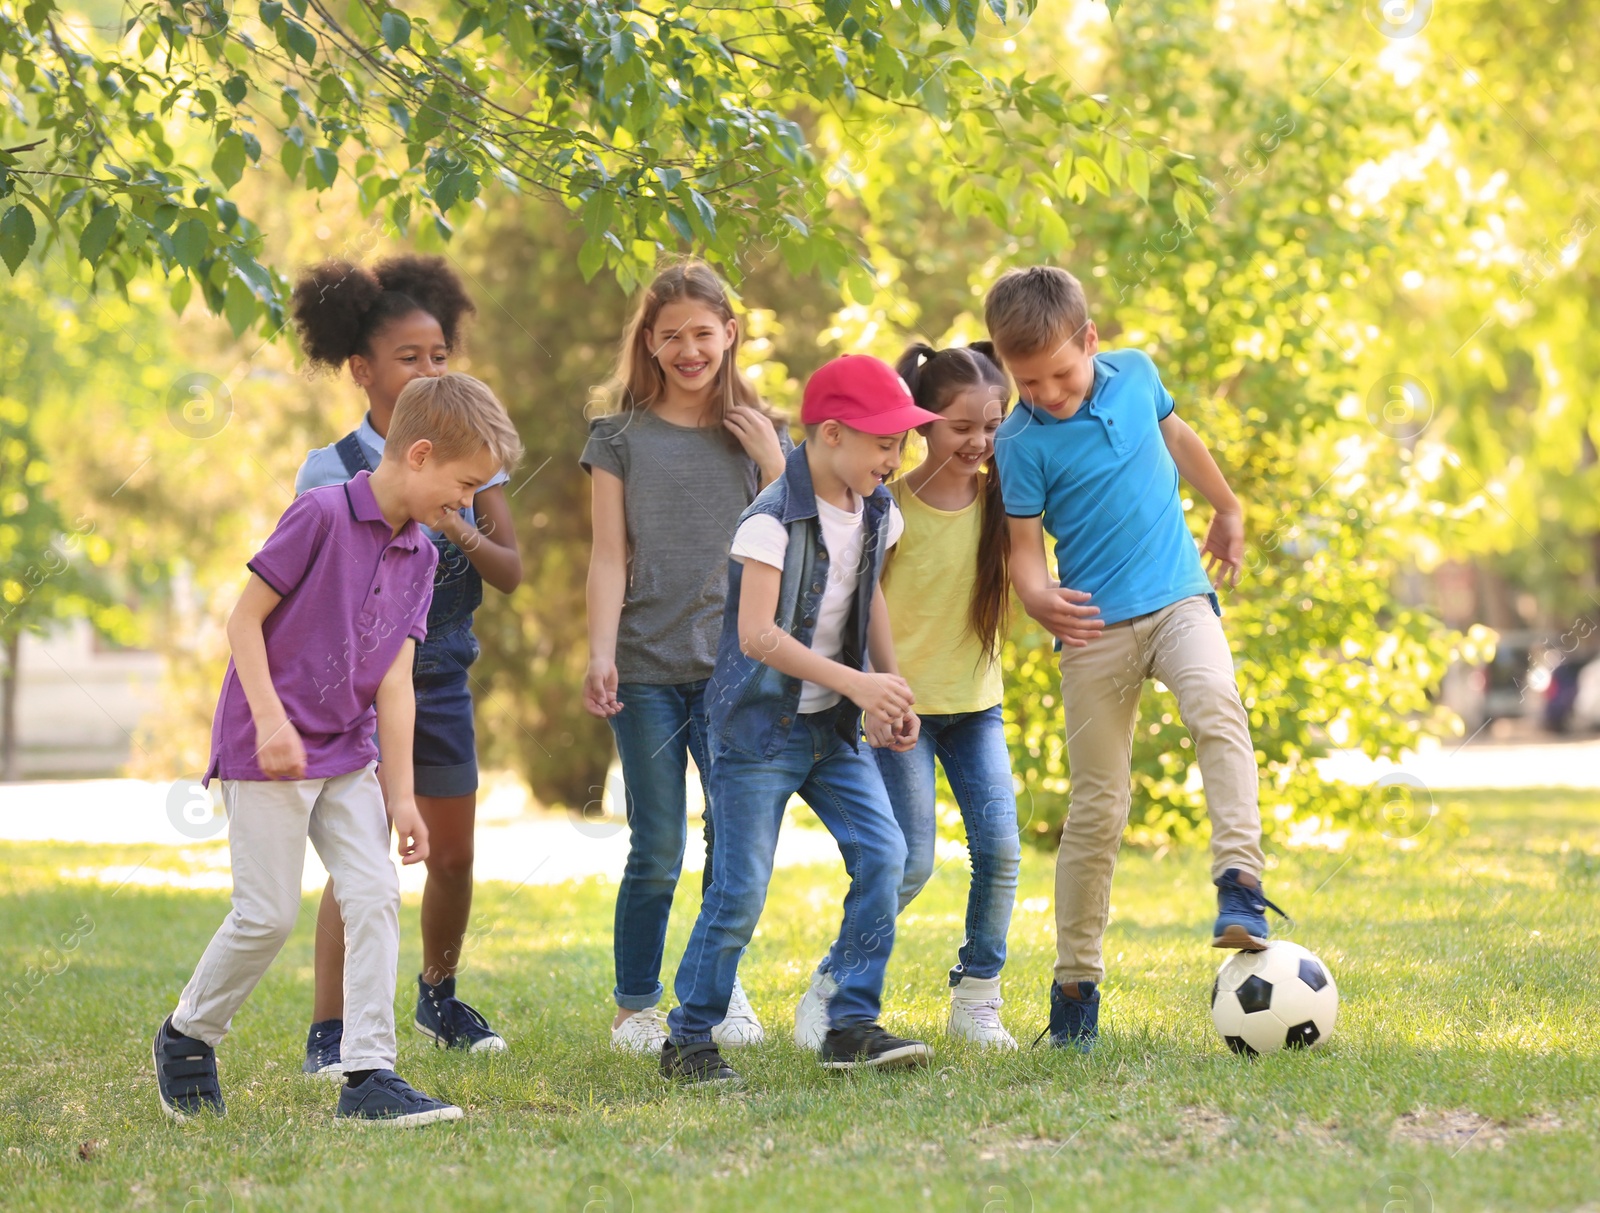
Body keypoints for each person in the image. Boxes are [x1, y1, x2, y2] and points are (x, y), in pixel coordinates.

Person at [153, 372, 521, 1125]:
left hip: (349, 750)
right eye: (465, 485)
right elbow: (242, 620)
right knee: (266, 916)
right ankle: (189, 1031)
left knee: (375, 894)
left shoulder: (422, 552)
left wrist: (401, 794)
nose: (470, 503)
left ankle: (368, 1072)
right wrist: (271, 719)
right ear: (419, 454)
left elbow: (394, 681)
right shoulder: (319, 514)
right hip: (270, 747)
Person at [985, 265, 1289, 1051]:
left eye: (1059, 372)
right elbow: (1023, 551)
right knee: (1097, 807)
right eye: (1027, 381)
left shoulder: (1139, 376)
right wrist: (1037, 595)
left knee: (1216, 703)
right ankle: (1075, 987)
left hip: (1181, 600)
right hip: (1093, 631)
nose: (1047, 392)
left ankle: (1240, 885)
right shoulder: (1018, 443)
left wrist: (1226, 506)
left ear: (1091, 340)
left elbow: (1178, 437)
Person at [661, 354, 941, 1085]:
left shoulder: (879, 510)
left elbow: (866, 596)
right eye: (885, 442)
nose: (896, 457)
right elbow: (758, 635)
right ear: (831, 435)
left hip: (831, 732)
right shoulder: (769, 521)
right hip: (755, 736)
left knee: (886, 857)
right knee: (741, 889)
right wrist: (858, 681)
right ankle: (688, 1037)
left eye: (901, 442)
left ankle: (850, 1021)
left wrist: (891, 686)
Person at [291, 255, 524, 1071]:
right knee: (360, 859)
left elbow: (511, 569)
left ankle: (438, 990)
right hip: (357, 689)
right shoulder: (332, 469)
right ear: (362, 369)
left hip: (441, 675)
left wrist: (455, 517)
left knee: (452, 855)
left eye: (439, 355)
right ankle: (331, 1027)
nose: (428, 367)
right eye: (408, 357)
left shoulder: (476, 458)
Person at [581, 261, 789, 1053]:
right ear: (650, 343)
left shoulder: (758, 435)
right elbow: (608, 555)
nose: (689, 348)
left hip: (736, 668)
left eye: (703, 333)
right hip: (645, 667)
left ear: (730, 334)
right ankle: (636, 1006)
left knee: (732, 841)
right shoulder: (617, 439)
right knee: (659, 843)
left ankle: (718, 985)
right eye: (671, 336)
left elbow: (805, 533)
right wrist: (601, 652)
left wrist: (774, 461)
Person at [867, 341, 1021, 1049]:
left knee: (1000, 850)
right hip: (902, 711)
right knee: (910, 860)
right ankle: (840, 979)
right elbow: (854, 604)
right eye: (963, 427)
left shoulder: (1005, 501)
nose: (980, 442)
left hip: (976, 706)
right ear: (924, 423)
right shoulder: (888, 506)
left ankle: (977, 993)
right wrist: (875, 695)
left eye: (992, 426)